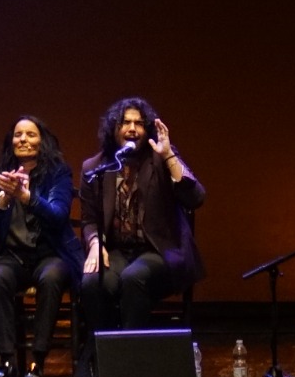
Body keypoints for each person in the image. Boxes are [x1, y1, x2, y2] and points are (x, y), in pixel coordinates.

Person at [78, 97, 205, 333]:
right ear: (113, 128)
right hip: (116, 251)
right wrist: (96, 243)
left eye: (139, 123)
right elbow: (89, 220)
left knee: (132, 278)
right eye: (126, 122)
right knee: (91, 283)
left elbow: (196, 198)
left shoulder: (160, 158)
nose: (132, 129)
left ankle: (130, 354)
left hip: (158, 251)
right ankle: (102, 353)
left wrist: (169, 156)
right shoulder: (94, 167)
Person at [0, 114, 81, 377]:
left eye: (30, 134)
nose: (23, 139)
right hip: (12, 256)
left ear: (41, 141)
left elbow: (59, 216)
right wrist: (2, 201)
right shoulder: (3, 172)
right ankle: (7, 362)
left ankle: (38, 361)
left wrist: (27, 197)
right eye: (18, 134)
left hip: (50, 254)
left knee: (51, 278)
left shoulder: (58, 172)